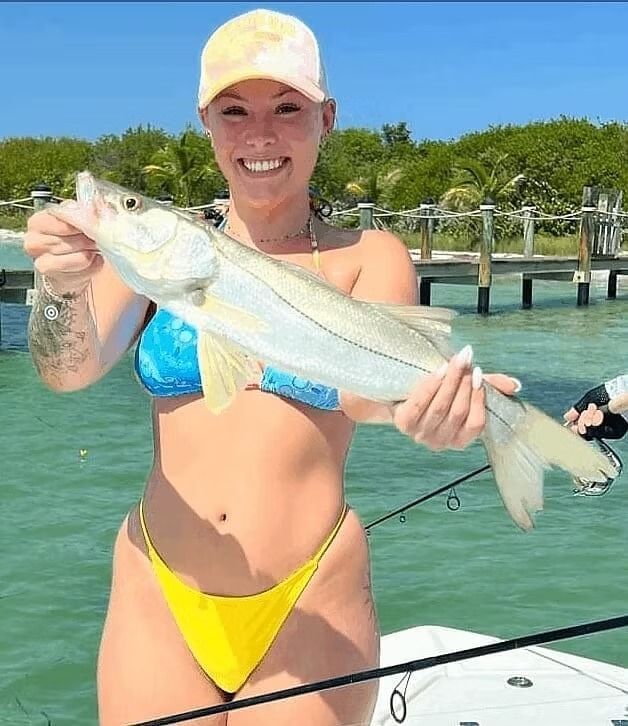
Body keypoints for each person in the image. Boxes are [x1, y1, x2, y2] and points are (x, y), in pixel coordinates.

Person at [23, 8, 519, 725]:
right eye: (234, 111)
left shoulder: (369, 255)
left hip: (311, 595)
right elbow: (65, 370)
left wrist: (428, 414)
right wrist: (58, 288)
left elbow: (362, 399)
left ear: (327, 118)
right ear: (205, 122)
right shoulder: (161, 253)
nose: (260, 134)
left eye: (288, 108)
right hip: (158, 588)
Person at [563, 374, 628, 440]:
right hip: (613, 397)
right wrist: (606, 410)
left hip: (614, 391)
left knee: (571, 417)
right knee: (572, 418)